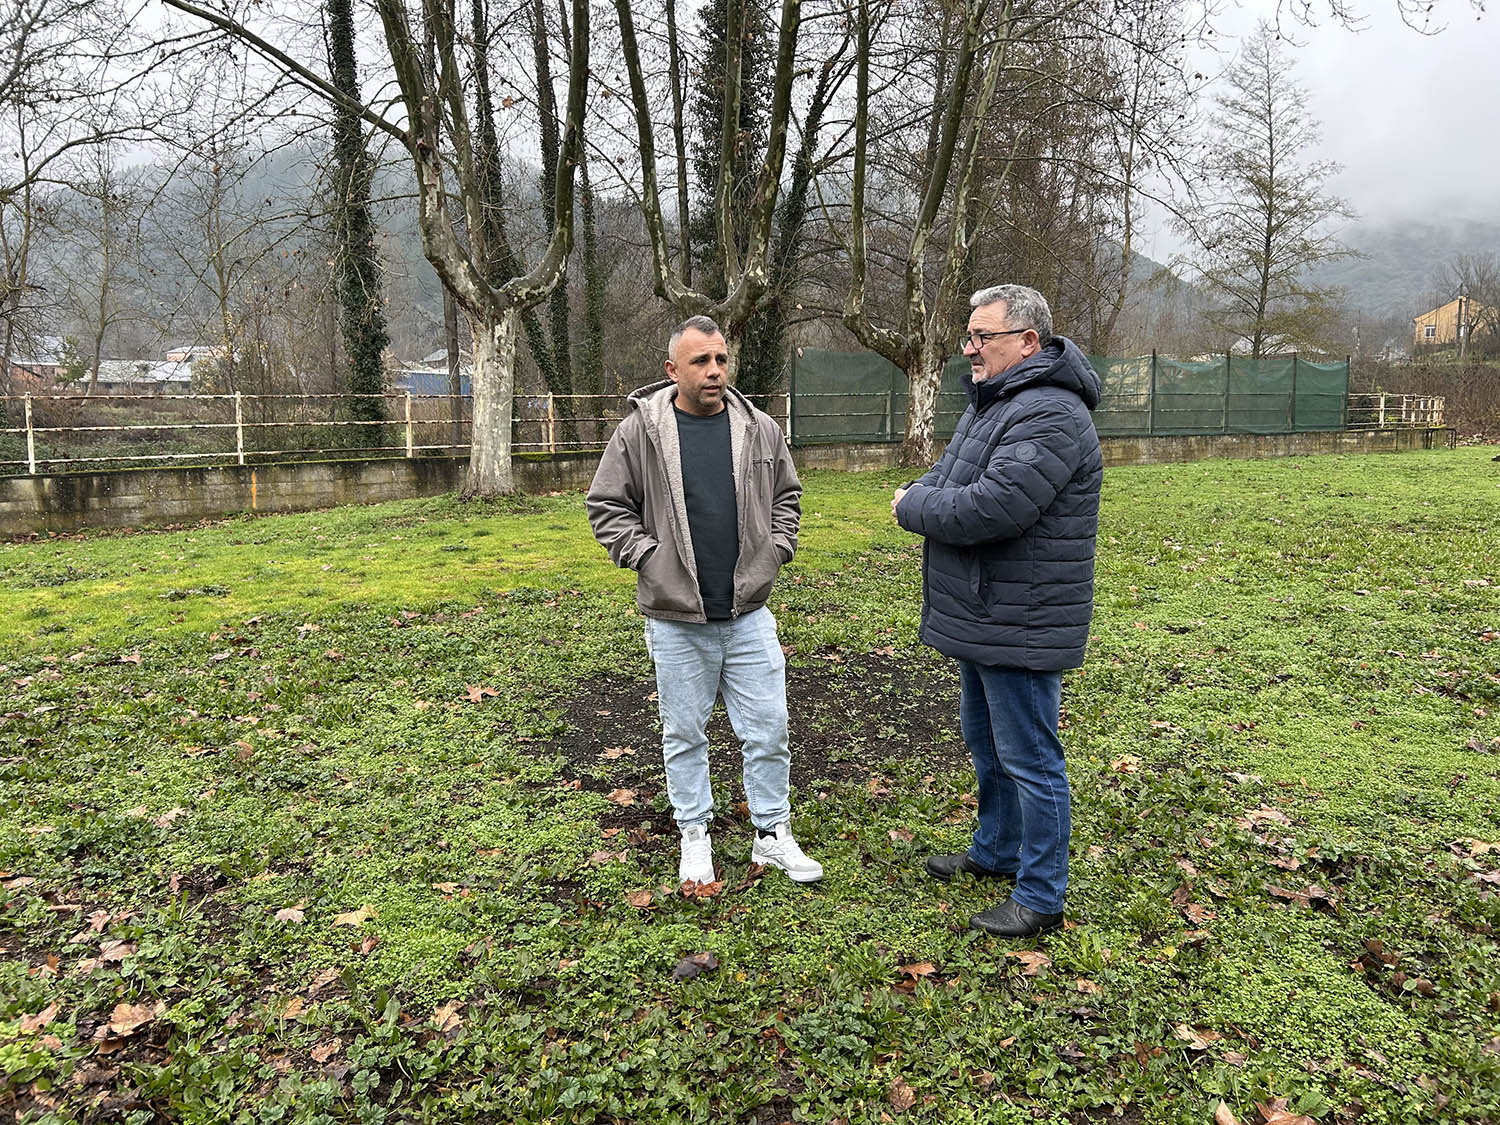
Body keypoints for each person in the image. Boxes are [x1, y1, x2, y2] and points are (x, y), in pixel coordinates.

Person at [892, 284, 1102, 938]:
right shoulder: (995, 406)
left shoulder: (1051, 415)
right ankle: (996, 849)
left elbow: (993, 506)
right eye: (970, 335)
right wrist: (921, 493)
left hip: (1024, 619)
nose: (970, 347)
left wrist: (907, 506)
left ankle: (1041, 893)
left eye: (983, 336)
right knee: (988, 743)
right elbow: (946, 478)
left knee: (1031, 756)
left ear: (1028, 342)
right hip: (987, 612)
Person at [586, 315, 823, 888]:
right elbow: (606, 505)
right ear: (673, 370)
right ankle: (694, 833)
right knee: (685, 732)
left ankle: (772, 835)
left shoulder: (760, 428)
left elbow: (787, 497)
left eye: (720, 359)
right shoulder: (640, 432)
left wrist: (778, 548)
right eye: (700, 361)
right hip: (676, 619)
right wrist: (648, 557)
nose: (715, 371)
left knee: (768, 728)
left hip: (748, 614)